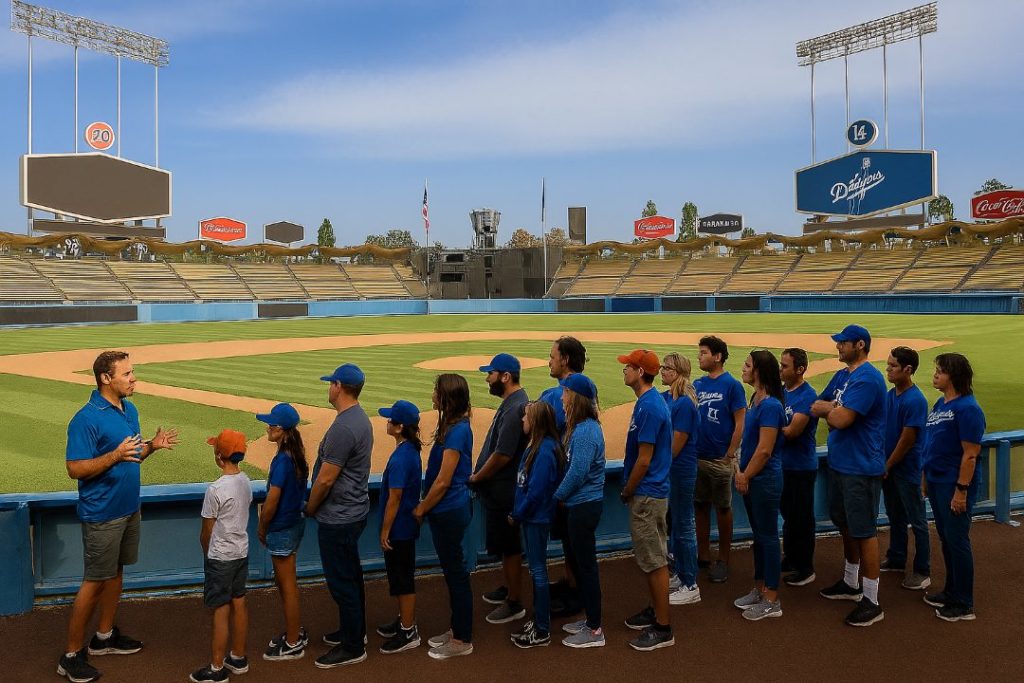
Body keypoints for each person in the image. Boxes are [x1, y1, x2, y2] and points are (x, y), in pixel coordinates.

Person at [59, 351, 179, 683]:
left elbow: (132, 454)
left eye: (132, 372)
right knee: (95, 580)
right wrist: (113, 455)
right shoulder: (86, 419)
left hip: (128, 508)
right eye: (126, 374)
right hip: (102, 514)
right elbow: (74, 468)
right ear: (105, 379)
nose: (133, 378)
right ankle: (70, 656)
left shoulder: (130, 409)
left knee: (116, 572)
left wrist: (152, 446)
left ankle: (104, 636)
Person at [812, 325, 888, 627]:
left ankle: (872, 600)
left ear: (860, 344)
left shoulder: (868, 378)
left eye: (843, 343)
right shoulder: (843, 376)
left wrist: (831, 410)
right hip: (841, 463)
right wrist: (833, 409)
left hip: (862, 467)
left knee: (864, 531)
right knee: (845, 524)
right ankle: (850, 581)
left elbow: (841, 419)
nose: (838, 347)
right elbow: (817, 404)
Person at [307, 363, 373, 668]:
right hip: (353, 510)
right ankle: (354, 632)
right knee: (352, 576)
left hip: (340, 516)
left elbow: (326, 479)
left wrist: (310, 507)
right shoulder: (358, 418)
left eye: (330, 383)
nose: (328, 388)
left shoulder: (345, 427)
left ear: (339, 386)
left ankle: (352, 646)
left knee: (342, 581)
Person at [413, 374, 475, 659]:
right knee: (453, 573)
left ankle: (462, 639)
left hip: (449, 508)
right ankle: (456, 628)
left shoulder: (458, 431)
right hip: (446, 508)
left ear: (447, 396)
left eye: (436, 391)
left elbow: (443, 481)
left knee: (457, 574)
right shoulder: (452, 426)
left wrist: (422, 508)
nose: (432, 395)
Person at [922, 353, 986, 622]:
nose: (935, 374)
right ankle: (951, 591)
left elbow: (970, 454)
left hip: (954, 483)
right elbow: (932, 442)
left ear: (954, 376)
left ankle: (963, 603)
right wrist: (926, 477)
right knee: (947, 539)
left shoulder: (968, 408)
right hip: (937, 480)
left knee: (957, 540)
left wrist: (961, 490)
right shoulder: (940, 402)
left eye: (941, 371)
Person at [618, 349, 675, 651]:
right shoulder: (648, 403)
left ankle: (663, 628)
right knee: (652, 558)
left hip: (647, 494)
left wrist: (628, 489)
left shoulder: (651, 407)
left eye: (628, 367)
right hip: (650, 492)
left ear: (640, 372)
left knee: (654, 561)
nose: (623, 371)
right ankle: (655, 611)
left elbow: (644, 459)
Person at [470, 353, 529, 625]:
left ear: (505, 376)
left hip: (505, 489)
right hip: (502, 487)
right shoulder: (512, 402)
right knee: (506, 546)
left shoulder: (517, 406)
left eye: (491, 373)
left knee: (510, 546)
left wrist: (478, 477)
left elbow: (503, 454)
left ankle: (515, 601)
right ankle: (509, 587)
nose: (487, 378)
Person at [190, 430, 253, 683]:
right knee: (239, 602)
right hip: (241, 552)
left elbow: (206, 531)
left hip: (221, 557)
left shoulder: (215, 489)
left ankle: (216, 669)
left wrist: (208, 555)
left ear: (219, 457)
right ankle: (238, 657)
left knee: (220, 609)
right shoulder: (246, 480)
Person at [733, 351, 787, 621]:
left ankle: (772, 597)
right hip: (753, 477)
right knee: (759, 536)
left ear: (759, 371)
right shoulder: (755, 400)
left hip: (764, 480)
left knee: (767, 537)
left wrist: (745, 475)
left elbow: (765, 450)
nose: (743, 369)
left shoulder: (771, 406)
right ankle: (759, 587)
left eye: (747, 365)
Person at [554, 373, 607, 649]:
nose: (562, 397)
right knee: (580, 564)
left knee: (586, 567)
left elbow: (577, 472)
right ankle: (590, 620)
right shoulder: (581, 427)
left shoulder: (585, 430)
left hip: (583, 506)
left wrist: (556, 497)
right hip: (579, 505)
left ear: (575, 398)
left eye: (565, 393)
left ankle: (595, 629)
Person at [509, 400, 566, 648]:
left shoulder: (544, 451)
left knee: (538, 571)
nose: (522, 420)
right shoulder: (539, 446)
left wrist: (517, 514)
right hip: (532, 516)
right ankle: (539, 620)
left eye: (526, 417)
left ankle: (542, 629)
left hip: (535, 518)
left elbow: (536, 492)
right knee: (536, 570)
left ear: (536, 421)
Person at [539, 336, 588, 618]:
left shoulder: (560, 395)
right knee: (570, 542)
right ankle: (571, 583)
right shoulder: (569, 391)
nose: (549, 360)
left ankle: (576, 592)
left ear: (565, 360)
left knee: (574, 542)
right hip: (564, 479)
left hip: (566, 482)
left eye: (552, 356)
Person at [256, 403, 309, 662]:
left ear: (283, 430)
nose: (268, 427)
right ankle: (294, 631)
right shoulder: (296, 455)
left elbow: (272, 501)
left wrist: (262, 526)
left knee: (287, 587)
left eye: (272, 424)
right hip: (294, 524)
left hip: (282, 527)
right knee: (288, 584)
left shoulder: (282, 461)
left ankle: (292, 641)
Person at [693, 335, 746, 584]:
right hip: (698, 457)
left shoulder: (732, 385)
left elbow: (740, 422)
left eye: (704, 352)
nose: (699, 356)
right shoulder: (697, 384)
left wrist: (730, 453)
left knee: (723, 508)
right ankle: (703, 554)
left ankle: (723, 559)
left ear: (718, 356)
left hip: (720, 459)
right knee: (700, 505)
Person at [376, 400, 425, 653]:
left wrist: (385, 531)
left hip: (400, 529)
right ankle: (402, 620)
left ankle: (408, 631)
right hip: (404, 526)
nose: (387, 423)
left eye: (390, 420)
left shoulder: (402, 457)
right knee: (399, 577)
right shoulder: (409, 451)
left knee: (403, 579)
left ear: (400, 427)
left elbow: (394, 498)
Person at [881, 347, 931, 590]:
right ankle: (897, 557)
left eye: (893, 366)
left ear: (908, 369)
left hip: (907, 470)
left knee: (917, 521)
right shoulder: (892, 395)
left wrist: (886, 465)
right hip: (890, 468)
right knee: (895, 516)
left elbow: (907, 440)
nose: (888, 369)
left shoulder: (915, 400)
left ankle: (923, 570)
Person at [659, 353, 701, 605]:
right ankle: (681, 573)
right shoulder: (669, 399)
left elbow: (676, 445)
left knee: (684, 526)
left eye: (667, 368)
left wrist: (657, 466)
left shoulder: (684, 403)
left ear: (678, 373)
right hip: (672, 471)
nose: (663, 371)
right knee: (676, 524)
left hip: (681, 471)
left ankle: (691, 583)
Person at [778, 348, 820, 587]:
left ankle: (806, 567)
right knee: (789, 516)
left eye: (785, 366)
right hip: (784, 465)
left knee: (802, 518)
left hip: (801, 467)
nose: (781, 370)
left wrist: (769, 429)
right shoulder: (782, 392)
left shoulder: (807, 395)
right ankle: (792, 557)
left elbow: (793, 432)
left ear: (800, 369)